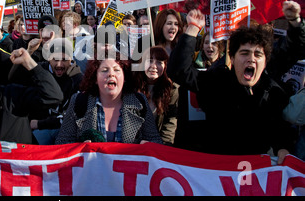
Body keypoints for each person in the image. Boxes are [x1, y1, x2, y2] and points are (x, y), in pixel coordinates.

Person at [167, 9, 294, 164]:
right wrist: (193, 28)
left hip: (257, 173)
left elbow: (281, 130)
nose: (251, 59)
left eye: (257, 55)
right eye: (244, 53)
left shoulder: (274, 92)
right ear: (232, 58)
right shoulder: (216, 82)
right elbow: (179, 71)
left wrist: (283, 148)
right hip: (219, 172)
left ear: (265, 61)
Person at [55, 52, 162, 144]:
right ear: (95, 78)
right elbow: (62, 142)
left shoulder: (139, 102)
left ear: (124, 77)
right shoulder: (79, 101)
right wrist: (79, 148)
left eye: (117, 70)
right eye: (104, 70)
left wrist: (147, 146)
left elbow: (155, 140)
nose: (111, 74)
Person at [9, 38, 83, 144]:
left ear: (71, 59)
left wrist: (40, 123)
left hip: (63, 129)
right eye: (55, 59)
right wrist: (28, 53)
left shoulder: (77, 79)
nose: (59, 64)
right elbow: (13, 79)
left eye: (64, 60)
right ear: (48, 58)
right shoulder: (40, 70)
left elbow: (73, 117)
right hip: (37, 129)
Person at [134, 46, 179, 145]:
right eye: (149, 61)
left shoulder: (172, 89)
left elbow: (170, 122)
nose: (154, 66)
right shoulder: (132, 86)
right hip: (135, 143)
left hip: (159, 145)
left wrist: (164, 146)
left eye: (159, 62)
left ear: (165, 66)